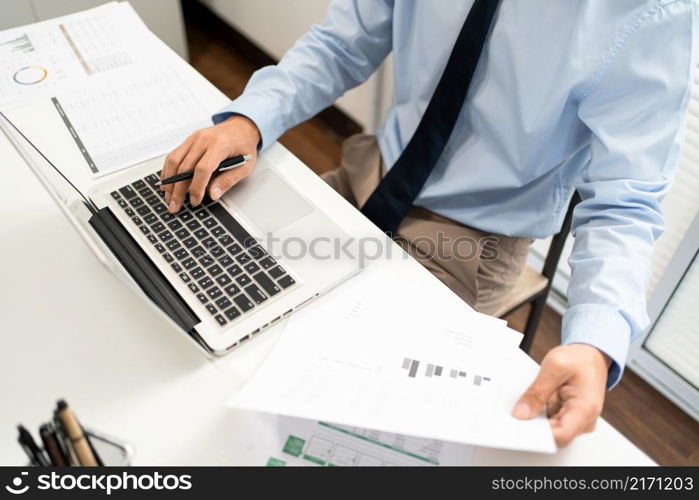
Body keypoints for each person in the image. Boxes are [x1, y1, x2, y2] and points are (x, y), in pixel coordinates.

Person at [160, 0, 695, 446]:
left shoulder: (650, 12)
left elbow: (626, 202)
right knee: (208, 289)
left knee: (337, 416)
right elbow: (344, 41)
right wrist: (251, 118)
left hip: (470, 238)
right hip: (372, 170)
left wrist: (595, 342)